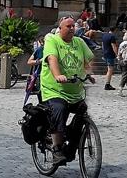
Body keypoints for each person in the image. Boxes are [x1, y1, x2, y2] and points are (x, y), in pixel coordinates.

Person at [40, 17, 94, 167]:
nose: (71, 28)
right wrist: (57, 75)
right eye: (68, 26)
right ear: (61, 28)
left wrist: (89, 72)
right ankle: (57, 148)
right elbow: (52, 59)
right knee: (59, 109)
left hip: (75, 91)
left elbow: (88, 60)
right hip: (54, 89)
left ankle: (71, 147)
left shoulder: (79, 42)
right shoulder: (52, 40)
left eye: (73, 26)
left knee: (82, 110)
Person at [101, 26, 120, 91]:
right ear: (114, 30)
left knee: (109, 69)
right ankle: (107, 84)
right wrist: (117, 55)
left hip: (105, 54)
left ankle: (107, 83)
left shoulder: (104, 36)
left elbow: (102, 45)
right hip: (110, 54)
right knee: (110, 69)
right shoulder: (112, 37)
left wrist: (103, 53)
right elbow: (114, 46)